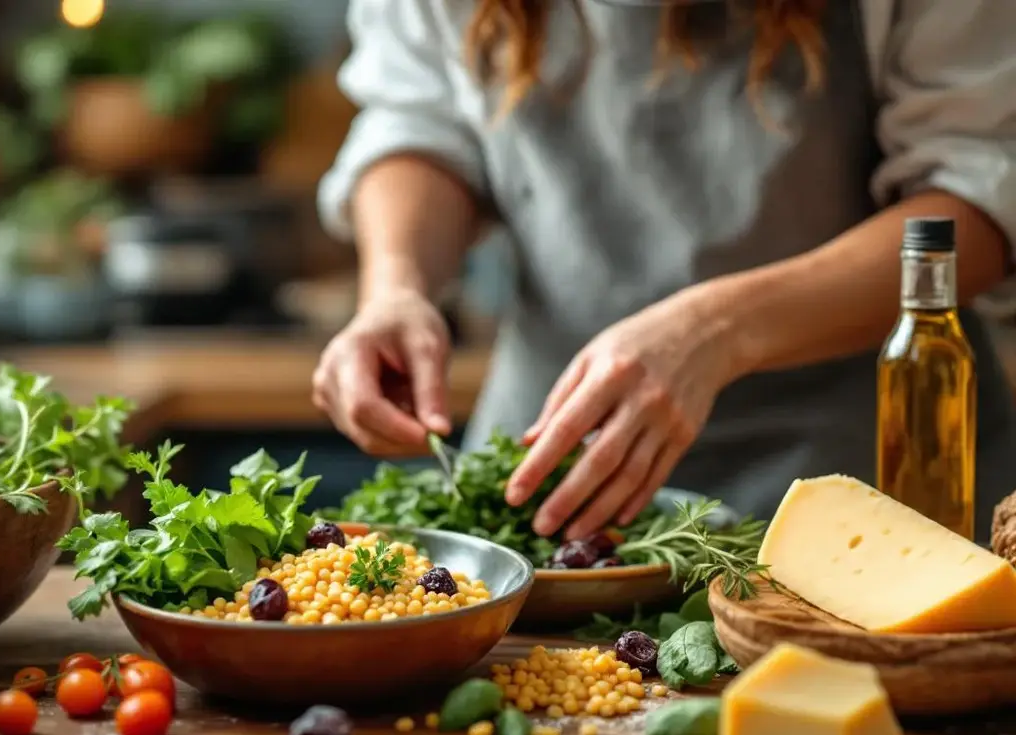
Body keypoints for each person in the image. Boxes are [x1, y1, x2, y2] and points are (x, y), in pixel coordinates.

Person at [311, 0, 1016, 542]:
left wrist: (719, 328)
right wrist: (396, 288)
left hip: (872, 478)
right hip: (554, 484)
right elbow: (421, 121)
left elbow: (979, 202)